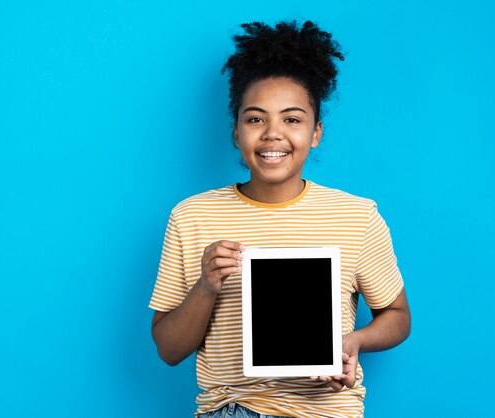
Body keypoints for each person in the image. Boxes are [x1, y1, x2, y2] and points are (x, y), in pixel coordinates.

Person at [149, 20, 411, 418]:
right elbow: (169, 350)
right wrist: (207, 285)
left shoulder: (357, 216)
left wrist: (352, 342)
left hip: (328, 410)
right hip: (232, 409)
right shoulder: (192, 216)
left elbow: (397, 317)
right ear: (236, 132)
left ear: (316, 132)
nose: (273, 134)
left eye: (292, 119)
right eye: (255, 119)